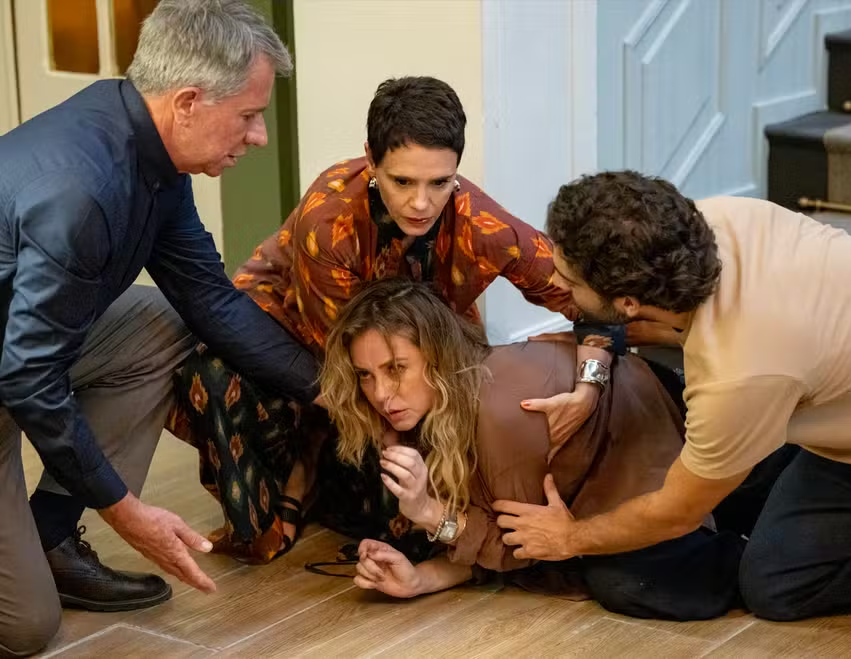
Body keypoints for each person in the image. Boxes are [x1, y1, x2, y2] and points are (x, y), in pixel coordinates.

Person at [492, 171, 851, 658]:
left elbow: (676, 512)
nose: (555, 280)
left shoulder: (740, 375)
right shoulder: (717, 221)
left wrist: (569, 538)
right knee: (776, 586)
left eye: (569, 279)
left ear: (629, 302)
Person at [170, 76, 617, 564]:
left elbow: (591, 300)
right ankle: (302, 472)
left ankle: (323, 475)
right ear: (371, 159)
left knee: (411, 534)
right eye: (402, 181)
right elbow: (344, 364)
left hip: (399, 373)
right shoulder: (329, 220)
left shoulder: (480, 222)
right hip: (303, 352)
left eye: (440, 182)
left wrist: (589, 383)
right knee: (213, 378)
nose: (421, 203)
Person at [0, 1, 321, 655]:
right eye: (249, 115)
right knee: (26, 629)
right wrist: (126, 511)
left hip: (19, 349)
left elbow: (211, 302)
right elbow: (28, 378)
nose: (259, 136)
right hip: (17, 371)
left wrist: (335, 390)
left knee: (159, 321)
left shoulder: (146, 147)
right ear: (189, 102)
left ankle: (50, 535)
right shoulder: (82, 194)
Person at [310, 278, 745, 619]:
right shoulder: (429, 409)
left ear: (437, 356)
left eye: (396, 368)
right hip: (646, 436)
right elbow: (492, 539)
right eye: (365, 375)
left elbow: (515, 549)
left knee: (628, 581)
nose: (381, 394)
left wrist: (427, 512)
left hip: (675, 433)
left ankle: (744, 544)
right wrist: (418, 580)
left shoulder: (500, 411)